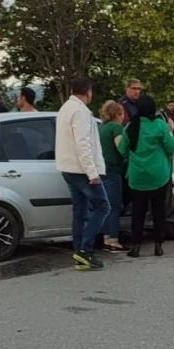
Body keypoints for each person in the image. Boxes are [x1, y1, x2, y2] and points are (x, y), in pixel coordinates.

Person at [55, 78, 110, 271]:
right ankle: (85, 249)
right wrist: (92, 172)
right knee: (103, 206)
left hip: (67, 167)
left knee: (80, 210)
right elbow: (83, 144)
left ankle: (79, 251)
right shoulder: (80, 112)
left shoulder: (65, 109)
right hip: (81, 169)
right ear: (88, 92)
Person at [119, 95, 174, 258]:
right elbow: (170, 147)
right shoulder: (160, 126)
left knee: (138, 212)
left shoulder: (130, 127)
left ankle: (136, 247)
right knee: (159, 211)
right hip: (159, 174)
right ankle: (158, 246)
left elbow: (123, 150)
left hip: (137, 176)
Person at [98, 100, 126, 252]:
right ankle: (114, 240)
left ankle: (106, 237)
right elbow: (121, 148)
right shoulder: (116, 128)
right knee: (114, 206)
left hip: (101, 169)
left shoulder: (101, 127)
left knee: (105, 205)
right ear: (118, 114)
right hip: (113, 169)